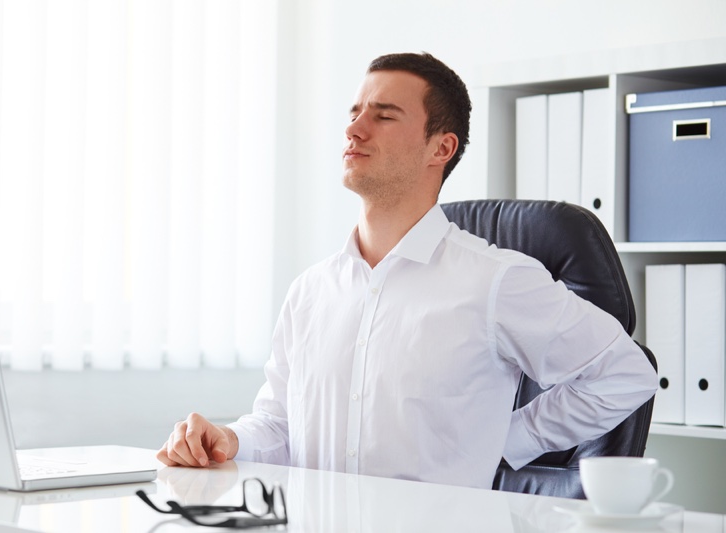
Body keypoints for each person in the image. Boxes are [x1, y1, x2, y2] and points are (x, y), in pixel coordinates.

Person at [157, 52, 658, 489]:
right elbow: (281, 426)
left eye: (384, 115)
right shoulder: (311, 291)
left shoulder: (494, 280)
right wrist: (228, 439)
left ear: (440, 147)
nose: (354, 129)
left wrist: (507, 439)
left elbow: (625, 374)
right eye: (354, 113)